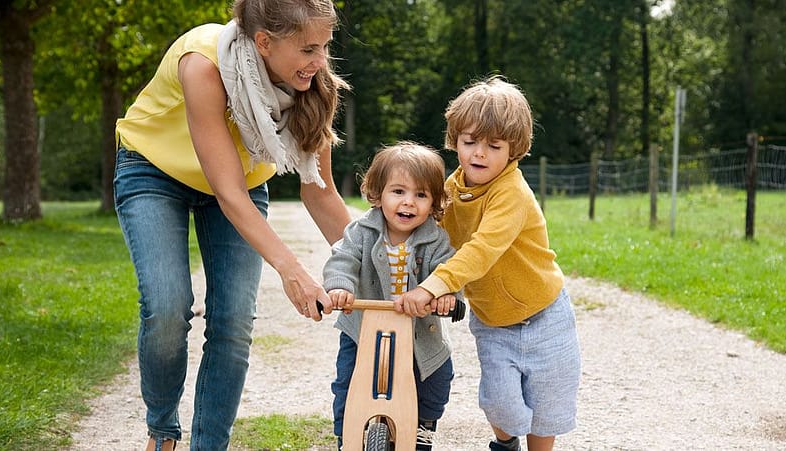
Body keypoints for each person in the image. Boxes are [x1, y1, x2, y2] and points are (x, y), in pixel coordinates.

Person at [113, 1, 351, 450]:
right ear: (264, 42)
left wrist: (376, 258)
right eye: (308, 49)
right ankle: (162, 431)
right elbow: (229, 195)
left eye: (324, 47)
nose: (320, 62)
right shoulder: (203, 64)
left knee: (234, 320)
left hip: (238, 184)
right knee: (167, 308)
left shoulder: (314, 85)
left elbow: (319, 191)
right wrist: (293, 271)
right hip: (154, 170)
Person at [395, 76, 582, 451]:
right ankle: (506, 441)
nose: (479, 153)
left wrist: (435, 285)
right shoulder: (450, 190)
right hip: (494, 321)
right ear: (455, 141)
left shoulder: (511, 192)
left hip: (546, 313)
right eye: (469, 142)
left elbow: (482, 249)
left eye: (493, 145)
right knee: (500, 402)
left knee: (547, 404)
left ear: (513, 150)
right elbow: (430, 240)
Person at [322, 142, 462, 450]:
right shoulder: (361, 231)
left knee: (437, 375)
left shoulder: (435, 239)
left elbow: (448, 270)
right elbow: (342, 259)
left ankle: (423, 426)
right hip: (364, 327)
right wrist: (340, 287)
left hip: (418, 330)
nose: (408, 203)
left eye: (421, 195)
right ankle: (347, 435)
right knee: (348, 381)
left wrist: (446, 295)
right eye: (398, 192)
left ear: (434, 201)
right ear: (378, 193)